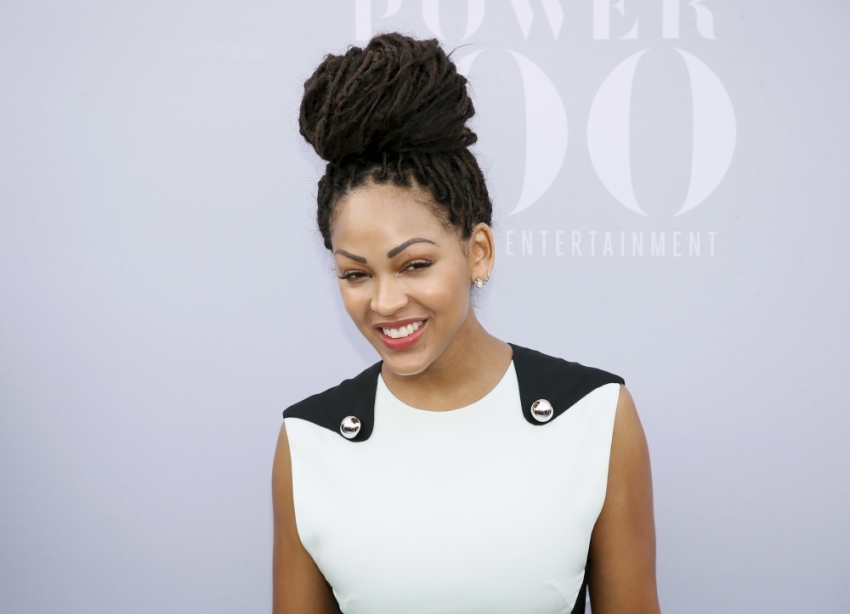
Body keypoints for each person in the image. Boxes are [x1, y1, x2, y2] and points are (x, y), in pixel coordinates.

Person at [272, 33, 660, 614]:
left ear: (478, 251)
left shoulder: (596, 417)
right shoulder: (309, 443)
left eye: (415, 265)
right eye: (356, 274)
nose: (384, 302)